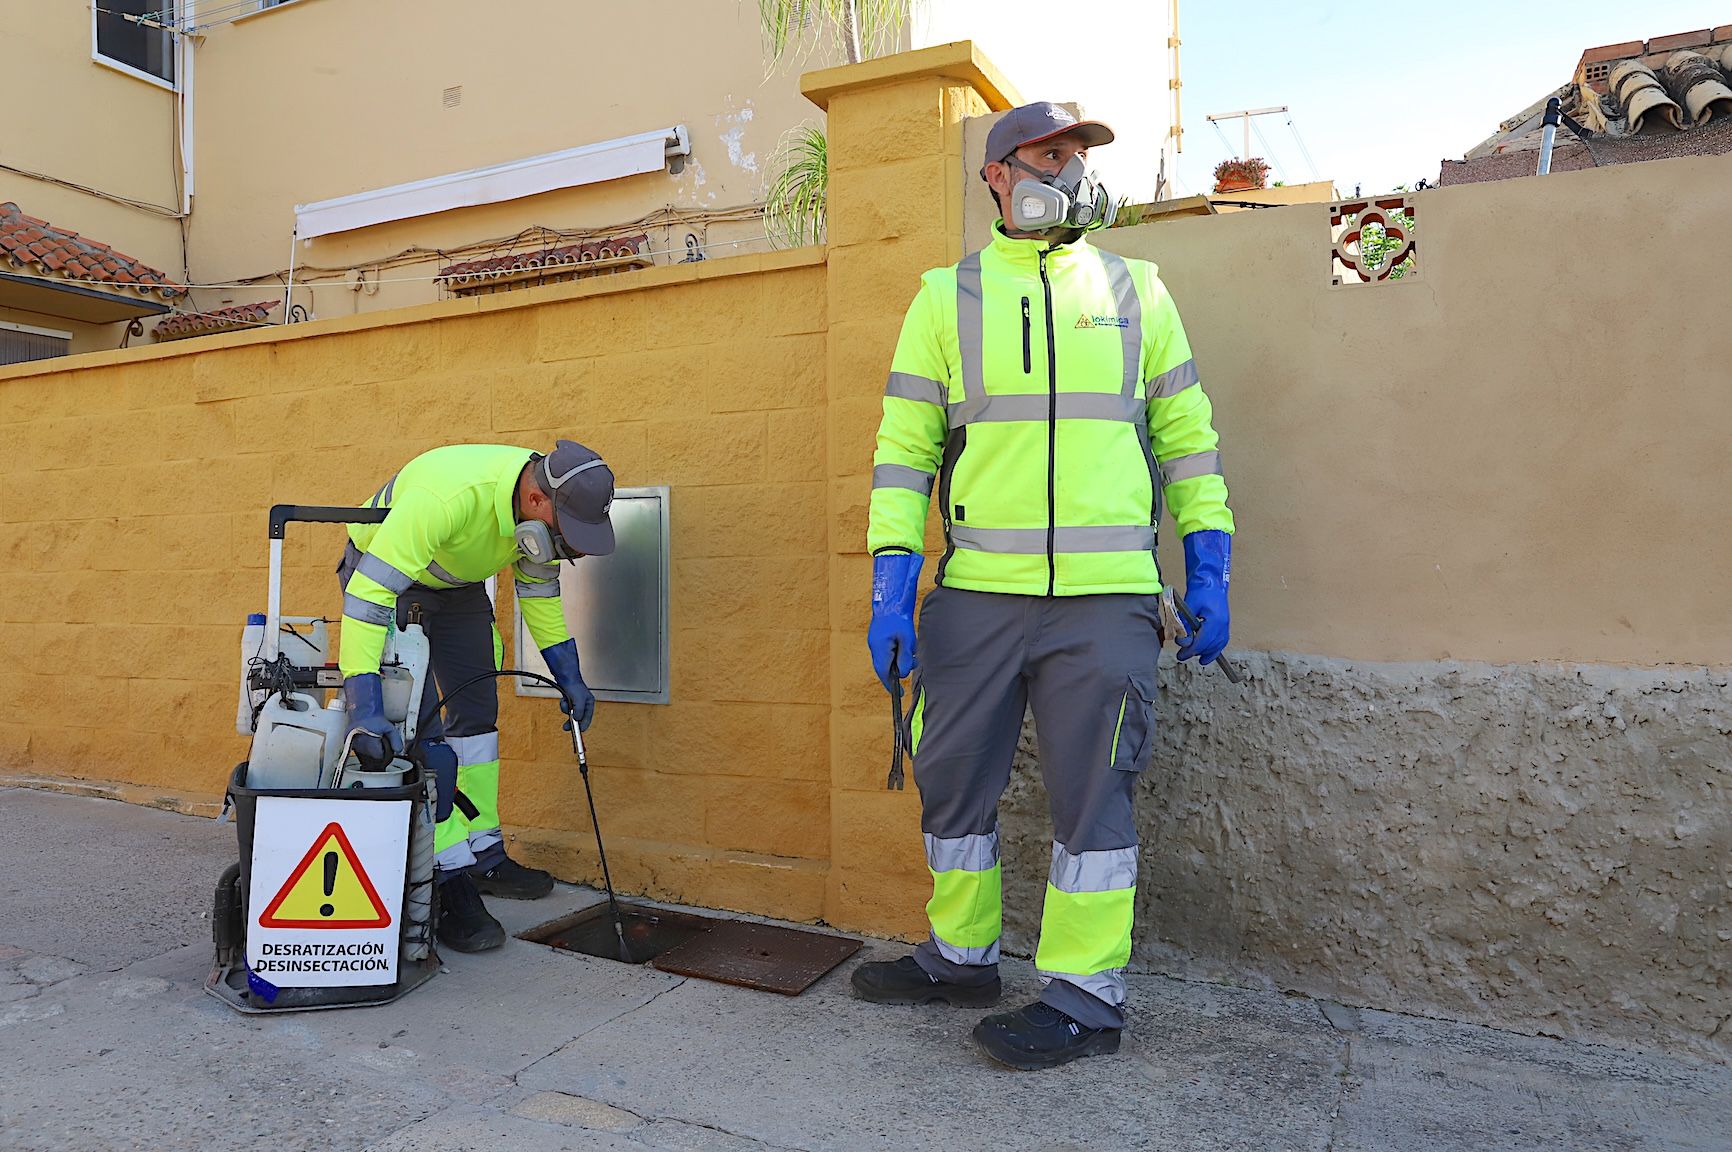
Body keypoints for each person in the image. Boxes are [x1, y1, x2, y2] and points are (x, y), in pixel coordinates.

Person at [851, 102, 1236, 1070]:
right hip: (978, 596)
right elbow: (902, 457)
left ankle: (1082, 998)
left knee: (1092, 800)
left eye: (1077, 157)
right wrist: (891, 589)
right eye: (1050, 154)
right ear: (996, 173)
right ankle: (960, 957)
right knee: (951, 782)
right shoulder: (945, 298)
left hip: (1105, 602)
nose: (1068, 171)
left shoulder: (1136, 290)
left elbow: (1187, 442)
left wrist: (1209, 564)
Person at [336, 440, 615, 953]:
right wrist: (365, 704)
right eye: (567, 535)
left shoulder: (533, 517)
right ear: (535, 502)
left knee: (478, 720)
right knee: (425, 736)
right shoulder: (447, 499)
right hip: (386, 581)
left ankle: (483, 851)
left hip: (456, 586)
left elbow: (538, 594)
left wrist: (569, 675)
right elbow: (369, 595)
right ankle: (446, 881)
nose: (567, 547)